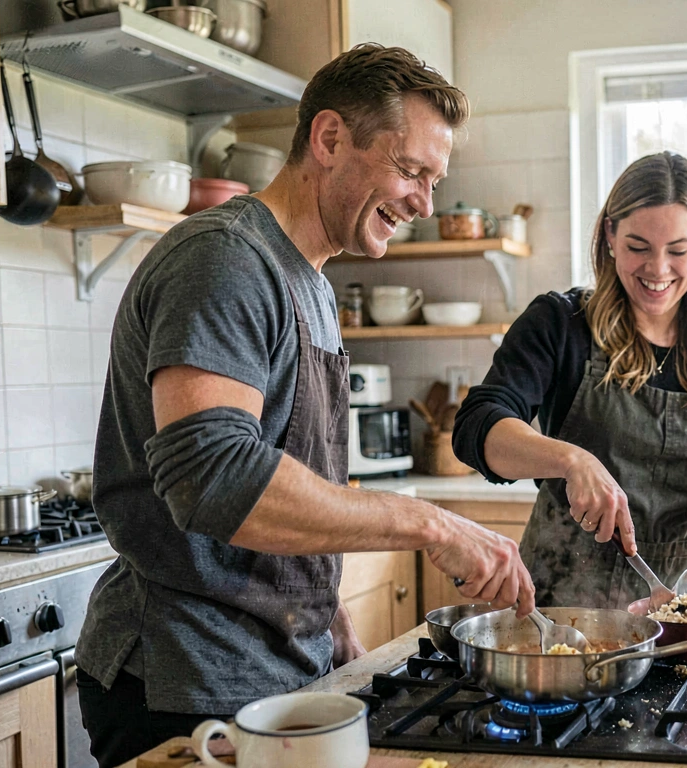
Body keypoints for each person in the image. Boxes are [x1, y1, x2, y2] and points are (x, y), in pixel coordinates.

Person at [74, 45, 534, 768]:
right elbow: (214, 475)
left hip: (276, 666)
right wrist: (427, 523)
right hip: (187, 682)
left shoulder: (311, 282)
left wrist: (326, 615)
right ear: (328, 139)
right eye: (411, 170)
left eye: (433, 180)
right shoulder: (223, 259)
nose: (424, 203)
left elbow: (285, 477)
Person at [453, 152, 687, 608]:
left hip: (686, 611)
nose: (657, 269)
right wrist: (572, 461)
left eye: (678, 250)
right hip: (562, 611)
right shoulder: (561, 323)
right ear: (610, 234)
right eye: (638, 247)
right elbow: (477, 426)